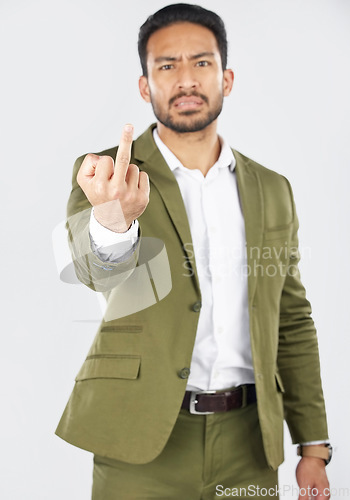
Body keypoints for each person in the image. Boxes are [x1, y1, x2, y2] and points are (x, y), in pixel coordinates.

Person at [56, 4, 332, 499]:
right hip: (140, 444)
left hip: (250, 445)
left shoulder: (272, 189)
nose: (186, 79)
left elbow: (290, 317)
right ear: (145, 85)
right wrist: (113, 219)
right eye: (167, 66)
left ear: (226, 78)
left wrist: (312, 446)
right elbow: (94, 272)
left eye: (201, 63)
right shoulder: (107, 176)